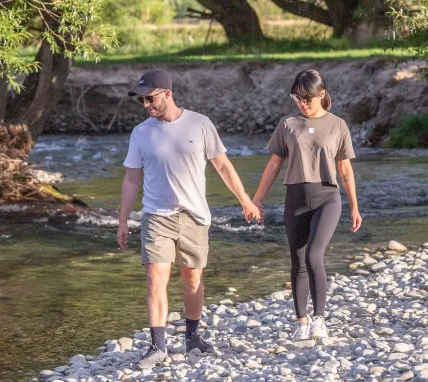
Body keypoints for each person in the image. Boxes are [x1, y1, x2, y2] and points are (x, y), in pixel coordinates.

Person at [116, 69, 262, 369]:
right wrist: (123, 220)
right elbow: (132, 179)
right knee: (156, 277)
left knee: (192, 278)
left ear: (167, 94)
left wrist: (245, 200)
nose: (146, 105)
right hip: (157, 216)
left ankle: (193, 336)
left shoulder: (200, 124)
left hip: (194, 215)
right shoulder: (141, 132)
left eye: (150, 98)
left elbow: (222, 166)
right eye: (142, 100)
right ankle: (157, 346)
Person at [252, 69, 362, 341]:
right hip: (296, 198)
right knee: (298, 261)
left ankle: (319, 319)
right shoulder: (288, 124)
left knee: (314, 255)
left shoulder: (337, 125)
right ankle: (301, 321)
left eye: (308, 97)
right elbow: (274, 164)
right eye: (297, 97)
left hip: (328, 197)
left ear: (321, 94)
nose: (303, 103)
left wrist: (354, 206)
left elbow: (345, 169)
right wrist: (256, 199)